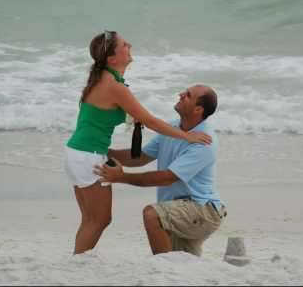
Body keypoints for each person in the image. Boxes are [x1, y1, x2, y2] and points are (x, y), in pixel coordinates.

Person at [65, 31, 212, 255]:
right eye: (124, 45)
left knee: (90, 219)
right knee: (99, 220)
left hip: (79, 152)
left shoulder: (104, 78)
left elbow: (100, 115)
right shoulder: (114, 86)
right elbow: (150, 120)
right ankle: (76, 262)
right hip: (89, 155)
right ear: (112, 59)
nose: (129, 45)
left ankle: (75, 261)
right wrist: (188, 136)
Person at [94, 84, 226, 257]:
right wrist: (103, 150)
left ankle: (163, 269)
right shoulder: (173, 127)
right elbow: (140, 157)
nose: (180, 94)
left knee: (152, 215)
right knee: (185, 267)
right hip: (179, 208)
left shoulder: (204, 141)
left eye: (188, 95)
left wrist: (121, 177)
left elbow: (167, 178)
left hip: (202, 210)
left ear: (198, 109)